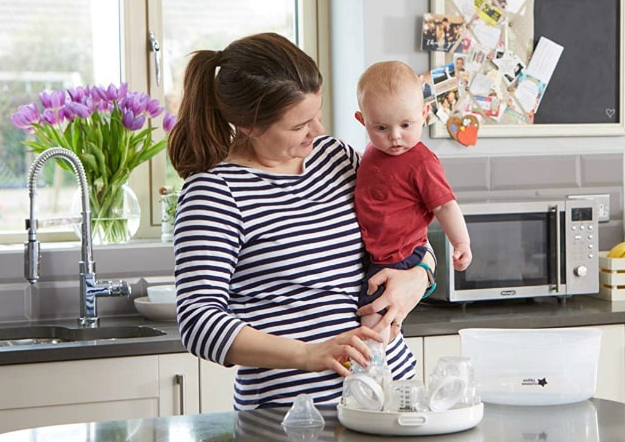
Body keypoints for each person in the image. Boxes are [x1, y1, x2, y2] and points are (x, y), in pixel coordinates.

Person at [167, 33, 435, 410]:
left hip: (391, 393)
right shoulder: (215, 193)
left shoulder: (337, 159)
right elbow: (199, 323)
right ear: (249, 126)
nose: (319, 132)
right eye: (299, 126)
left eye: (317, 115)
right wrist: (308, 354)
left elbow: (407, 231)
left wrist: (420, 275)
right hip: (291, 411)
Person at [353, 61, 472, 330]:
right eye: (381, 128)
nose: (395, 137)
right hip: (377, 253)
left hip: (401, 254)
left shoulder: (422, 163)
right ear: (363, 120)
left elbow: (445, 206)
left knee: (374, 318)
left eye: (406, 125)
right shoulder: (370, 153)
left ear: (425, 113)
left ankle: (373, 363)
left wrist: (461, 242)